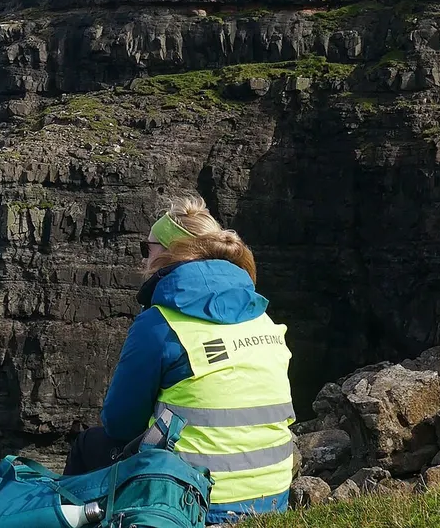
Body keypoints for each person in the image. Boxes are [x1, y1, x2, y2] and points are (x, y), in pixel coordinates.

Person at [63, 199, 294, 525]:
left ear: (170, 251)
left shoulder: (160, 324)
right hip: (271, 497)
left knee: (91, 445)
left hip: (194, 501)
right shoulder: (263, 319)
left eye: (148, 248)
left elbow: (120, 424)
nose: (144, 258)